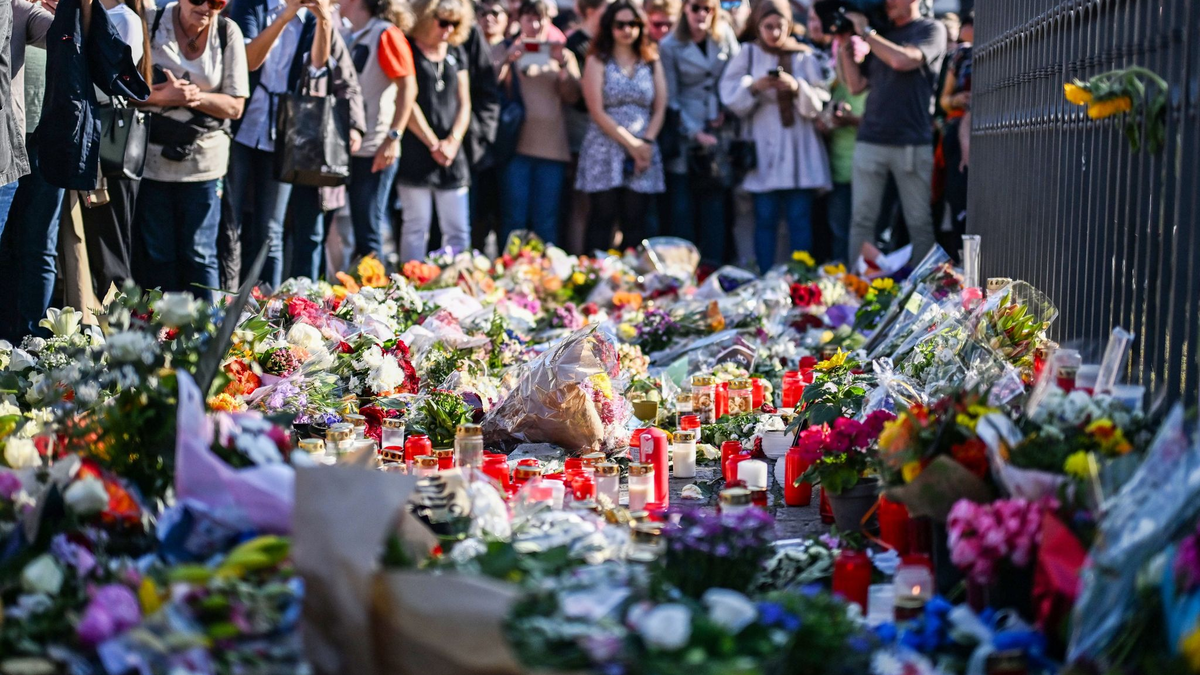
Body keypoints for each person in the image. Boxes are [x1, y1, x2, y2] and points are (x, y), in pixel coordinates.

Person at [226, 0, 360, 287]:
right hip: (242, 127)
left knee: (270, 230)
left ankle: (265, 311)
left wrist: (323, 19)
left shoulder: (310, 18)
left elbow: (318, 67)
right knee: (230, 222)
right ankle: (224, 300)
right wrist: (285, 16)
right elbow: (248, 60)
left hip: (284, 134)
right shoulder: (251, 6)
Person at [135, 0, 249, 296]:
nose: (206, 7)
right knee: (158, 253)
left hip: (205, 162)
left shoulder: (227, 31)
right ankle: (163, 332)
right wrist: (164, 97)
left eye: (217, 2)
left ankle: (207, 334)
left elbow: (235, 106)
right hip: (152, 158)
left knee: (199, 253)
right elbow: (125, 90)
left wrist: (190, 96)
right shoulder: (151, 20)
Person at [719, 0, 829, 271]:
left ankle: (799, 278)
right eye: (768, 27)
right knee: (765, 217)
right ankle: (765, 276)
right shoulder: (749, 53)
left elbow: (819, 101)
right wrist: (755, 86)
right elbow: (728, 93)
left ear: (789, 25)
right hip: (763, 145)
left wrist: (795, 87)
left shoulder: (803, 55)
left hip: (798, 148)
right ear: (758, 26)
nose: (775, 33)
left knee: (799, 217)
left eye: (780, 27)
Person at [839, 0, 947, 264]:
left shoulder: (932, 29)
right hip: (870, 139)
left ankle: (924, 291)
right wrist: (844, 44)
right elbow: (855, 86)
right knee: (861, 220)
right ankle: (856, 288)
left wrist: (867, 34)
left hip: (911, 143)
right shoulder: (880, 33)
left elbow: (902, 60)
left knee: (918, 221)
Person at [575, 0, 666, 252]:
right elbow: (596, 109)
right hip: (605, 146)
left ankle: (632, 283)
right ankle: (593, 278)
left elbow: (659, 107)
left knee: (636, 220)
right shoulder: (597, 60)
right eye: (620, 24)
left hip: (644, 148)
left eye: (633, 24)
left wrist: (645, 143)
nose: (627, 30)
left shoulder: (650, 60)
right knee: (603, 217)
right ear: (609, 27)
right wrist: (632, 144)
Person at [79, 0, 152, 298]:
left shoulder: (125, 19)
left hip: (107, 139)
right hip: (89, 133)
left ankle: (120, 329)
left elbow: (111, 78)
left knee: (110, 245)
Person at [659, 0, 737, 264]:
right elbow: (671, 98)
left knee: (714, 208)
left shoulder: (724, 36)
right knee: (683, 208)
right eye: (696, 7)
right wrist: (694, 132)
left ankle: (713, 268)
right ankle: (683, 272)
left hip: (717, 131)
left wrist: (726, 105)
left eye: (708, 8)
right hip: (686, 136)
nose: (702, 14)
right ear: (685, 9)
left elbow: (736, 76)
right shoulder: (669, 45)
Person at [395, 0, 474, 262]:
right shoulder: (408, 48)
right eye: (442, 22)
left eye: (455, 24)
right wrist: (433, 143)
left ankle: (455, 286)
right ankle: (410, 289)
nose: (448, 30)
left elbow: (465, 102)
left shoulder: (456, 52)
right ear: (427, 19)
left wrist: (452, 141)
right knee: (416, 226)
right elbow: (407, 99)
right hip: (417, 148)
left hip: (451, 153)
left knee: (458, 230)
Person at [339, 0, 417, 263]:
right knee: (353, 233)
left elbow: (408, 88)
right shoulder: (351, 33)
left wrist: (393, 137)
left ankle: (378, 301)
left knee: (369, 233)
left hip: (375, 149)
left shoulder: (386, 33)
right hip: (350, 148)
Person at [497, 0, 581, 242]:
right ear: (519, 20)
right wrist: (507, 61)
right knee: (514, 219)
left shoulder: (562, 53)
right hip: (516, 145)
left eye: (540, 18)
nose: (534, 24)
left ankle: (545, 276)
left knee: (546, 220)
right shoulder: (506, 48)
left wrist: (563, 65)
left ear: (548, 20)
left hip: (552, 147)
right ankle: (508, 273)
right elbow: (489, 89)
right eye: (528, 18)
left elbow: (573, 97)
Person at [0, 0, 57, 339]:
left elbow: (70, 37)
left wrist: (72, 9)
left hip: (9, 158)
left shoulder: (20, 10)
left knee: (34, 251)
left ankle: (27, 346)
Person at [812, 8, 866, 263]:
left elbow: (878, 123)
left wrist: (851, 120)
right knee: (839, 232)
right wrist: (828, 119)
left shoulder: (873, 78)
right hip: (838, 169)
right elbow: (824, 118)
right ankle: (841, 284)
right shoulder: (835, 82)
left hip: (868, 169)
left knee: (866, 233)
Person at [560, 0, 609, 254]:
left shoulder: (611, 42)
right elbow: (574, 97)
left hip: (611, 137)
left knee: (607, 206)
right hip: (581, 134)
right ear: (591, 10)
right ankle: (578, 260)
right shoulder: (573, 43)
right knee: (582, 204)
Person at [937, 10, 970, 258]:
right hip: (958, 135)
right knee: (959, 202)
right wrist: (958, 99)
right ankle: (961, 262)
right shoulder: (960, 55)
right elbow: (944, 101)